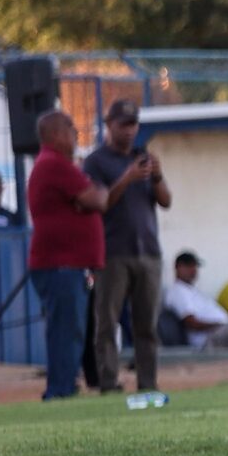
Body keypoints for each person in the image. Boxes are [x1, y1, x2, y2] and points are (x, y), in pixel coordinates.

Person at [83, 100, 171, 397]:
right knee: (107, 322)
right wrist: (127, 178)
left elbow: (166, 201)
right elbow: (102, 202)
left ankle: (148, 383)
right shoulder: (96, 162)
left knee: (147, 325)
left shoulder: (142, 157)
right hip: (113, 252)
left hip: (148, 251)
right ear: (109, 125)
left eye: (133, 124)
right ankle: (108, 382)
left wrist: (156, 175)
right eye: (124, 124)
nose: (130, 130)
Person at [25, 108, 107, 402]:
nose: (76, 134)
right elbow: (97, 199)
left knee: (71, 330)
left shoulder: (56, 164)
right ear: (57, 134)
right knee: (65, 331)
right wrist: (97, 190)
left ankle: (65, 386)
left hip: (67, 264)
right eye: (72, 128)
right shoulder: (55, 164)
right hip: (61, 264)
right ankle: (60, 389)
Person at [160, 250, 228, 349]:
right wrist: (220, 325)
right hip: (206, 339)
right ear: (177, 267)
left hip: (221, 331)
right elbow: (191, 322)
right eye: (189, 266)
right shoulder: (177, 291)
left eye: (195, 266)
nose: (193, 270)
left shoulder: (192, 290)